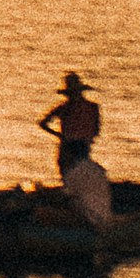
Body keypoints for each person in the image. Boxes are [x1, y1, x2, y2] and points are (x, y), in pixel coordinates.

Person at [37, 73, 113, 230]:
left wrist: (60, 135)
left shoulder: (69, 108)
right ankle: (72, 204)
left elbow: (43, 123)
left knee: (73, 175)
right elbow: (96, 130)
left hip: (71, 145)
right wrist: (82, 137)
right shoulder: (88, 107)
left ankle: (71, 205)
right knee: (78, 174)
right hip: (79, 145)